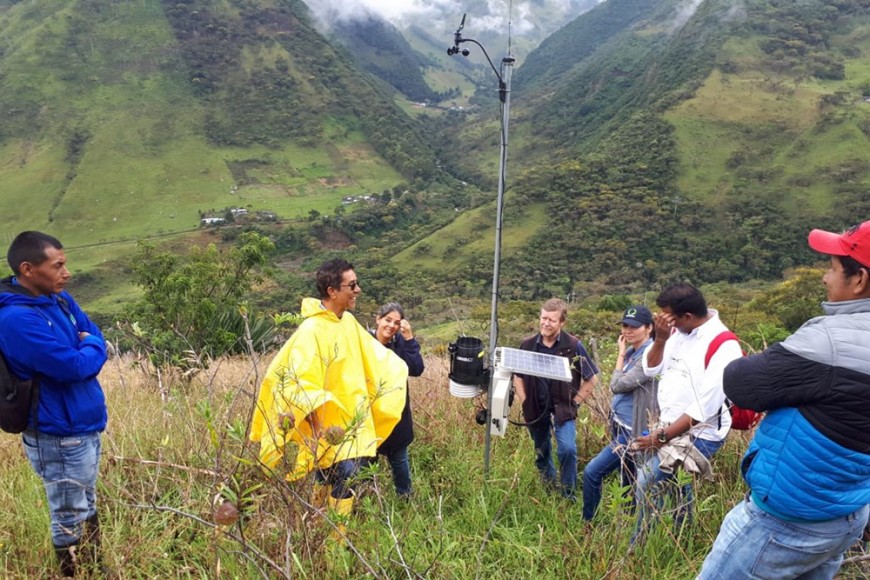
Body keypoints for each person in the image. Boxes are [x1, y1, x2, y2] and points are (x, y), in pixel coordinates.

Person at [698, 222, 870, 579]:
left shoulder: (829, 342)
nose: (824, 278)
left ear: (859, 280)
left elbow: (741, 383)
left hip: (787, 522)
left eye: (832, 268)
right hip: (846, 512)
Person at [249, 259, 408, 535]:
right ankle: (333, 541)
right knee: (344, 478)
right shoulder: (312, 331)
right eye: (352, 285)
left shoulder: (347, 322)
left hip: (349, 421)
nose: (358, 290)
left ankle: (320, 532)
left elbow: (373, 356)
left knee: (333, 476)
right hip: (328, 427)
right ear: (333, 291)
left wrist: (400, 367)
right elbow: (302, 384)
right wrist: (320, 428)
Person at [0, 232, 109, 577]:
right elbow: (74, 366)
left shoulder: (58, 300)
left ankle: (94, 570)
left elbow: (92, 331)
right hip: (58, 434)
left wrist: (90, 342)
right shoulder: (17, 320)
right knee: (68, 513)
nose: (67, 272)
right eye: (58, 265)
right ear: (28, 269)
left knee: (85, 504)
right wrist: (91, 346)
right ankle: (76, 573)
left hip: (82, 424)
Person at [631, 283, 740, 543]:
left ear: (688, 316)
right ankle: (684, 535)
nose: (663, 322)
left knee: (646, 482)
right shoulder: (676, 334)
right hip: (670, 424)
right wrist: (660, 339)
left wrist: (659, 438)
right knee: (679, 484)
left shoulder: (723, 346)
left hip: (700, 433)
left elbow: (703, 409)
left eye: (668, 317)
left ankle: (637, 547)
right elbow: (650, 369)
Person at [513, 298, 599, 501]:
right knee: (541, 451)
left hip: (563, 408)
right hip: (535, 408)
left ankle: (568, 494)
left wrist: (575, 402)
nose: (546, 323)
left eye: (552, 320)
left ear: (562, 322)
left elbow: (591, 379)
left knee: (568, 449)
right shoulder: (527, 345)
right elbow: (518, 376)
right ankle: (549, 487)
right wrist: (525, 401)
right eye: (543, 318)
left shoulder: (573, 346)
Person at [582, 305, 658, 521]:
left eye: (634, 326)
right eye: (625, 326)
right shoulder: (636, 351)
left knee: (592, 473)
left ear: (649, 328)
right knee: (629, 477)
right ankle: (627, 520)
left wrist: (620, 353)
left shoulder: (649, 356)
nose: (627, 331)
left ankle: (589, 523)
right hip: (620, 424)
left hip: (633, 430)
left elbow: (617, 385)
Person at [370, 302, 425, 497]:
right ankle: (369, 499)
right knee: (368, 461)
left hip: (397, 413)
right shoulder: (365, 343)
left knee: (399, 459)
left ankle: (405, 499)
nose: (391, 326)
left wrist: (409, 338)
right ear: (378, 319)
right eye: (387, 320)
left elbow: (417, 369)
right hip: (370, 414)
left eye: (396, 322)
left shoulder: (400, 344)